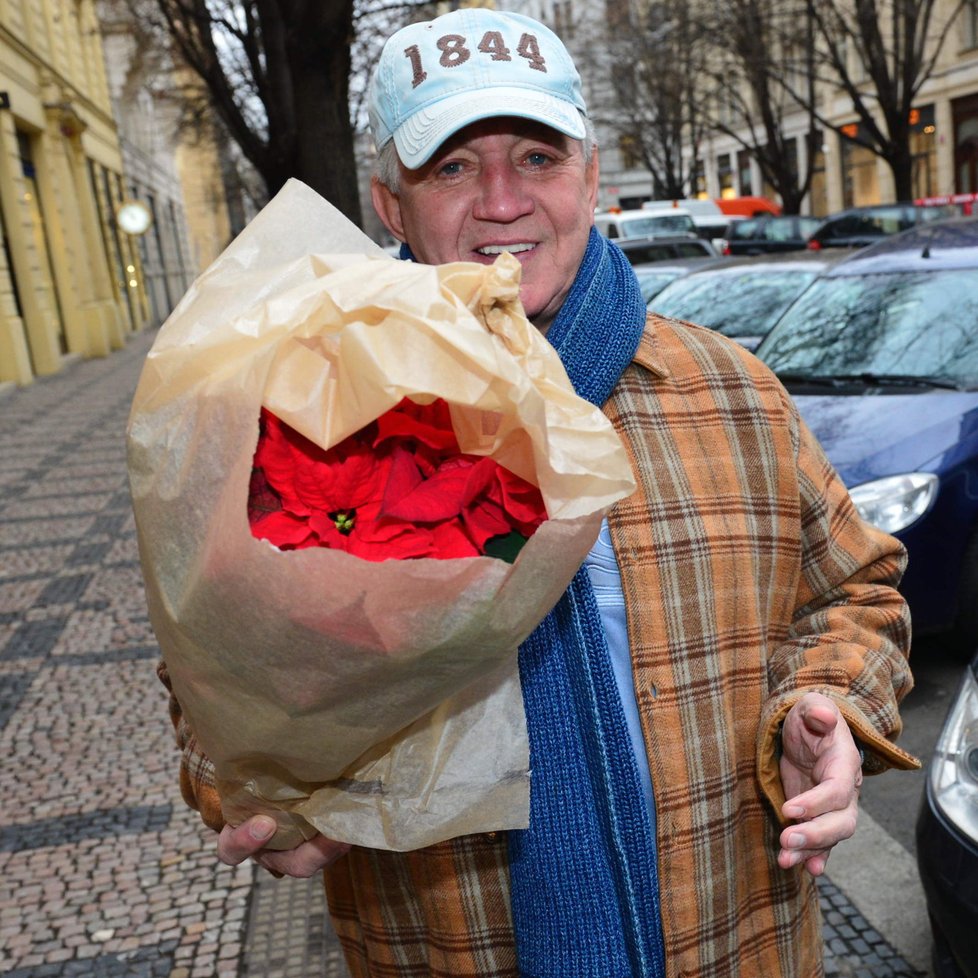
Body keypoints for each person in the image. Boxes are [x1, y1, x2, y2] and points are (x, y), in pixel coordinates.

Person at [159, 8, 918, 976]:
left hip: (734, 940)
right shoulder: (310, 416)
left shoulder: (728, 389)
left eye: (537, 158)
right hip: (448, 945)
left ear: (591, 180)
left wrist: (829, 703)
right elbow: (213, 678)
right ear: (391, 206)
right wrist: (263, 799)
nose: (503, 202)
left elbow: (857, 590)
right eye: (453, 169)